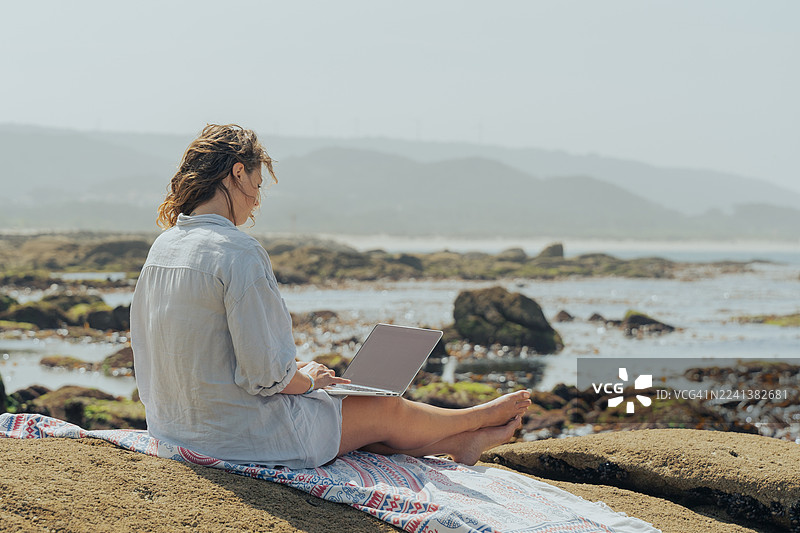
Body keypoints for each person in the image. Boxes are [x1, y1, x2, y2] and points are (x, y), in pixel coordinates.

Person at [130, 124, 531, 469]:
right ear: (236, 174)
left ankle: (459, 443)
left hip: (174, 428)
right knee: (380, 408)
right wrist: (304, 380)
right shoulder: (239, 251)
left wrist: (295, 371)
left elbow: (189, 352)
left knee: (349, 419)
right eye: (256, 183)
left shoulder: (164, 247)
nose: (255, 199)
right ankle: (475, 419)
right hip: (235, 437)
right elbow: (264, 376)